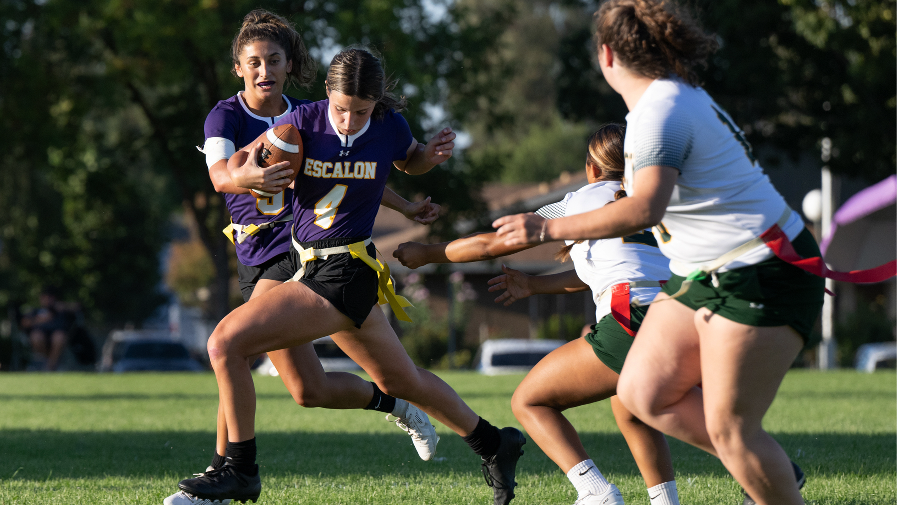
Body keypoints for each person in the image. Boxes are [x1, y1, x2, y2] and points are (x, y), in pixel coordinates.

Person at [492, 2, 828, 503]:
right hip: (710, 273)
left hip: (759, 269)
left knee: (732, 430)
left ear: (607, 55)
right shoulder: (673, 99)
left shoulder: (659, 111)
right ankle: (759, 463)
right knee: (640, 393)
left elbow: (645, 209)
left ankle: (762, 464)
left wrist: (547, 229)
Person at [176, 47, 525, 505]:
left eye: (360, 111)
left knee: (226, 343)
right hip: (306, 264)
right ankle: (495, 444)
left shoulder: (387, 126)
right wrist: (251, 175)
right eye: (341, 109)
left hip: (347, 270)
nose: (347, 120)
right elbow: (235, 168)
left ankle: (239, 470)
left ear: (377, 104)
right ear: (326, 94)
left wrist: (430, 158)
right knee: (400, 382)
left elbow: (409, 159)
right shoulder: (298, 125)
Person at [395, 124, 682, 505]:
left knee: (529, 400)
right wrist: (535, 286)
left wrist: (428, 253)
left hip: (630, 316)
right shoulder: (656, 199)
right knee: (630, 408)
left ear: (591, 169)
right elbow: (613, 267)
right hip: (679, 315)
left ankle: (595, 492)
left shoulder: (579, 200)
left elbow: (491, 244)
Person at [20, 287, 80, 371]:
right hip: (41, 340)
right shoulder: (36, 311)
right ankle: (48, 363)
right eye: (44, 297)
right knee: (36, 335)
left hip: (59, 340)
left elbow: (78, 307)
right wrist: (39, 320)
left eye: (50, 297)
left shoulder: (62, 309)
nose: (47, 300)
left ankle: (49, 367)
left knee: (59, 336)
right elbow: (24, 323)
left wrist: (64, 306)